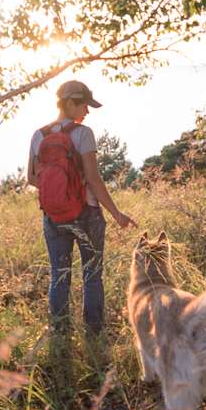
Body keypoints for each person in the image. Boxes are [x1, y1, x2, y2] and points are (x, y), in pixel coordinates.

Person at [28, 80, 136, 335]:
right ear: (70, 103)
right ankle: (95, 334)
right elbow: (94, 179)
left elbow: (32, 179)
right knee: (92, 275)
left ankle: (59, 333)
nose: (87, 111)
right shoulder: (83, 133)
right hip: (86, 214)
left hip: (53, 217)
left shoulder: (39, 135)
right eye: (84, 105)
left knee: (60, 276)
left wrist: (58, 191)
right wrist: (117, 214)